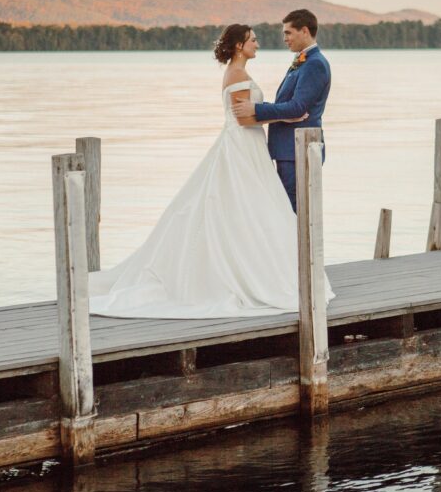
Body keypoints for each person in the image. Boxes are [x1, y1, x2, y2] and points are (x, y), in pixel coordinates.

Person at [88, 22, 334, 319]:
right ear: (239, 45)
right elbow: (244, 119)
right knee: (249, 208)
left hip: (250, 147)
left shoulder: (240, 72)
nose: (258, 44)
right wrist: (283, 115)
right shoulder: (237, 74)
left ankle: (259, 267)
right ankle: (250, 273)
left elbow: (253, 113)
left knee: (255, 209)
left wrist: (268, 111)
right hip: (242, 147)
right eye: (253, 40)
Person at [233, 9, 331, 212]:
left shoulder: (315, 64)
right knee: (288, 211)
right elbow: (290, 105)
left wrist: (256, 109)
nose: (284, 38)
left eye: (288, 33)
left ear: (304, 31)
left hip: (297, 151)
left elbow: (297, 107)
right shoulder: (304, 61)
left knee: (293, 211)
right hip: (288, 150)